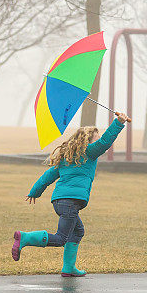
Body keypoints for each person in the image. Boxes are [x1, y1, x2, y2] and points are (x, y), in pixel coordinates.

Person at [11, 112, 132, 276]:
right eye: (95, 138)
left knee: (77, 231)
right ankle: (25, 238)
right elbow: (105, 142)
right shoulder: (89, 152)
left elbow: (48, 176)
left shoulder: (66, 157)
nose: (98, 140)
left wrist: (35, 192)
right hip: (70, 202)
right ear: (87, 141)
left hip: (60, 201)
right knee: (61, 238)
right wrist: (118, 122)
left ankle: (68, 268)